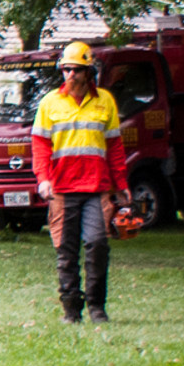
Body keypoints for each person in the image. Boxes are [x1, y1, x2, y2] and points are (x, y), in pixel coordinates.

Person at [32, 41, 126, 324]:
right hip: (62, 189)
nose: (70, 74)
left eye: (76, 69)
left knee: (97, 245)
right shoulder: (50, 103)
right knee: (66, 251)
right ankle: (71, 311)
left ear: (88, 72)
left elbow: (115, 148)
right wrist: (43, 179)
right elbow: (39, 146)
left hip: (97, 188)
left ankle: (97, 307)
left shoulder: (105, 101)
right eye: (66, 69)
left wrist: (121, 186)